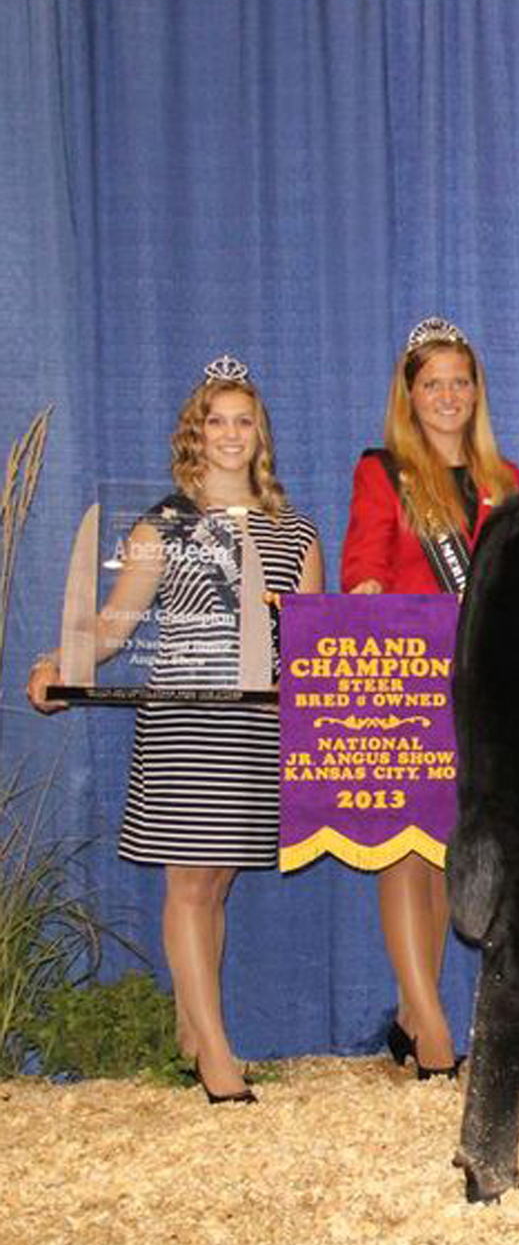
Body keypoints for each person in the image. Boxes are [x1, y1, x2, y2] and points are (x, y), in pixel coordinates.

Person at [26, 355, 323, 1103]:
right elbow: (115, 627)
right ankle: (217, 1058)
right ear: (197, 434)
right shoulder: (159, 526)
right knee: (189, 881)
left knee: (216, 882)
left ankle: (194, 1032)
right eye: (216, 420)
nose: (231, 434)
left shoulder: (298, 535)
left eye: (243, 420)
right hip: (185, 728)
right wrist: (62, 662)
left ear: (262, 435)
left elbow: (313, 644)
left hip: (256, 731)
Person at [341, 317, 519, 1078]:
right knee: (400, 851)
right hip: (408, 678)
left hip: (477, 688)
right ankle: (437, 1030)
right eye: (432, 383)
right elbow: (360, 561)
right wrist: (369, 588)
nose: (447, 395)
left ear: (475, 392)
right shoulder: (383, 471)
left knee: (447, 852)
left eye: (459, 381)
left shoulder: (503, 479)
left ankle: (416, 1015)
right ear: (409, 396)